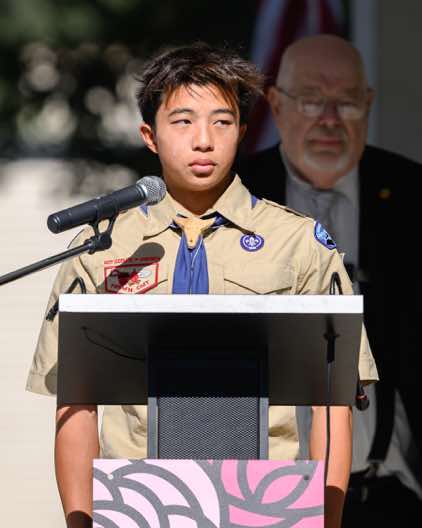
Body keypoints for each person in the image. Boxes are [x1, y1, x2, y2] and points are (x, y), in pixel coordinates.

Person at [26, 42, 378, 528]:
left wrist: (327, 521)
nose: (204, 141)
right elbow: (76, 404)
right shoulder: (103, 248)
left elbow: (333, 403)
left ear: (243, 132)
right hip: (136, 502)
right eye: (183, 121)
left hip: (265, 503)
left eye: (222, 122)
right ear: (149, 136)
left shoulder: (299, 243)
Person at [238, 34, 422, 524]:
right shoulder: (231, 195)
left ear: (369, 104)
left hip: (390, 496)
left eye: (346, 102)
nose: (329, 118)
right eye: (311, 99)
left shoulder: (412, 195)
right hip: (258, 495)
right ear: (276, 104)